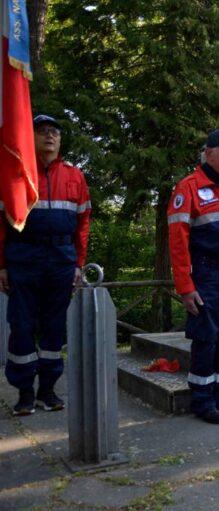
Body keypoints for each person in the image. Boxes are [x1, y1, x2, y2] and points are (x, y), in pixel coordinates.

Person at [0, 114, 91, 416]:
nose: (49, 137)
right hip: (23, 258)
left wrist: (78, 263)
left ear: (60, 140)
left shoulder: (74, 176)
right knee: (22, 326)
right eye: (42, 132)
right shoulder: (16, 173)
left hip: (61, 260)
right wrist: (1, 264)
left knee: (54, 328)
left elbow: (83, 224)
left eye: (54, 132)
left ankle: (47, 390)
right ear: (31, 137)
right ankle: (25, 393)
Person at [168, 128, 219, 424]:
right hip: (207, 276)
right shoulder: (188, 188)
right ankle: (202, 400)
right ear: (209, 152)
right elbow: (177, 243)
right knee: (207, 338)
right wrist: (185, 286)